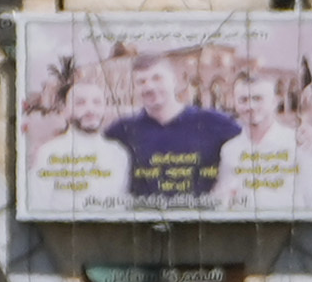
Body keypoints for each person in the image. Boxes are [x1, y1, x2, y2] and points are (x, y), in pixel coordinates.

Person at [102, 57, 241, 207]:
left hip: (200, 224)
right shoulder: (122, 130)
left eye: (157, 78)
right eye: (141, 82)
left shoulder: (215, 123)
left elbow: (250, 151)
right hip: (144, 224)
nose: (149, 87)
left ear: (175, 81)